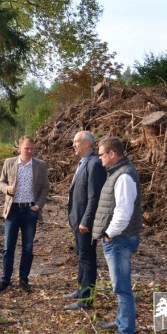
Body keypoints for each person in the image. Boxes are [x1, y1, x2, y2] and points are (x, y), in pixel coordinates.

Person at [92, 136, 142, 334]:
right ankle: (121, 321)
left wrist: (110, 233)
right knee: (119, 286)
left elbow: (123, 211)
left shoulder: (123, 176)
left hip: (120, 239)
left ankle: (125, 333)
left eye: (102, 154)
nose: (100, 158)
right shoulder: (118, 172)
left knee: (122, 288)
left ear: (112, 154)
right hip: (118, 238)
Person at [0, 135, 50, 293]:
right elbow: (1, 182)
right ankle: (5, 279)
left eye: (32, 149)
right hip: (12, 210)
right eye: (27, 148)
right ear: (19, 148)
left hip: (30, 211)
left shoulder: (40, 165)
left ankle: (23, 280)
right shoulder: (9, 162)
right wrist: (7, 189)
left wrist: (38, 205)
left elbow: (45, 187)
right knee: (8, 247)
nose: (30, 151)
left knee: (28, 247)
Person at [64, 131, 106, 310]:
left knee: (88, 258)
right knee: (81, 255)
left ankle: (86, 299)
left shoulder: (94, 163)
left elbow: (94, 197)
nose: (73, 145)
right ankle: (81, 289)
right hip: (77, 219)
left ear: (87, 143)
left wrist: (86, 221)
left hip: (84, 222)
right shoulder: (84, 162)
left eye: (76, 141)